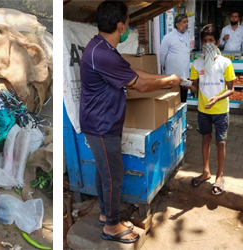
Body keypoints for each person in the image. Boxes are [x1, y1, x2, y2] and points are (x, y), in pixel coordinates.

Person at [79, 1, 181, 244]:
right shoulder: (102, 54)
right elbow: (142, 85)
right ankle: (112, 227)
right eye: (127, 22)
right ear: (119, 24)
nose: (128, 27)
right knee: (114, 175)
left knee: (105, 173)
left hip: (103, 123)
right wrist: (169, 81)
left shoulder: (103, 48)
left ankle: (106, 215)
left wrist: (169, 78)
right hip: (101, 126)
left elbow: (135, 73)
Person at [187, 24, 234, 196]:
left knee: (220, 142)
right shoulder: (196, 63)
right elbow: (195, 88)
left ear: (218, 42)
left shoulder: (225, 63)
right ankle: (206, 172)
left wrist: (217, 98)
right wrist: (184, 83)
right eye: (205, 41)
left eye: (211, 41)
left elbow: (231, 89)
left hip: (221, 110)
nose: (208, 44)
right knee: (205, 139)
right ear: (201, 42)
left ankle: (219, 176)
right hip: (203, 111)